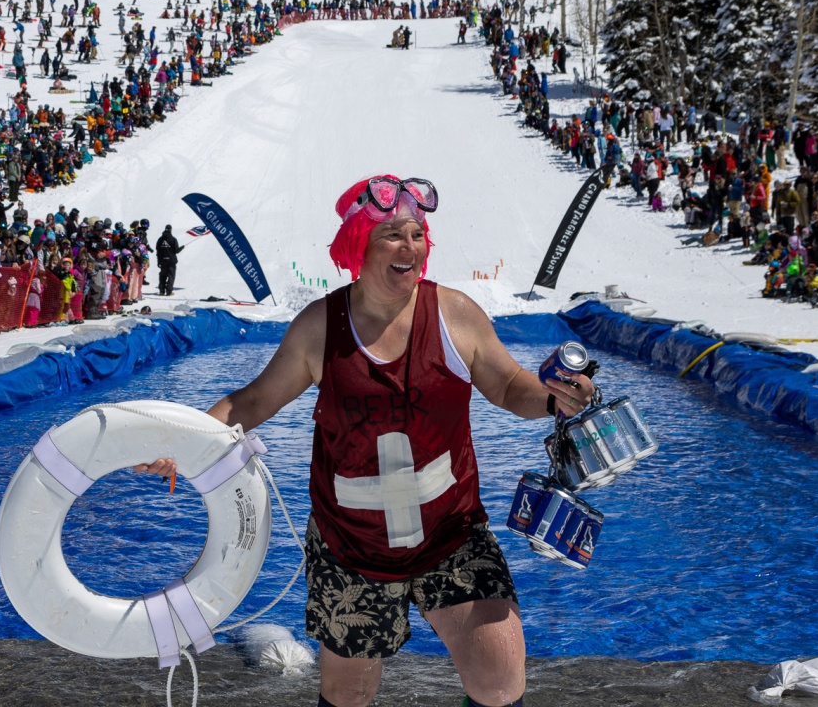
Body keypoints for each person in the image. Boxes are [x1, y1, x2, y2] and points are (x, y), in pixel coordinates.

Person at [136, 176, 599, 707]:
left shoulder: (454, 314)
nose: (410, 247)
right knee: (349, 696)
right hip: (350, 547)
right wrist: (188, 443)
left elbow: (508, 384)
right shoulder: (320, 328)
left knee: (499, 673)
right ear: (359, 243)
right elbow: (253, 402)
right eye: (392, 235)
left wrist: (553, 397)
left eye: (418, 233)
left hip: (449, 534)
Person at [155, 224, 183, 296]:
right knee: (171, 276)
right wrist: (181, 248)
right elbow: (176, 251)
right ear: (171, 229)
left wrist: (158, 261)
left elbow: (158, 251)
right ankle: (169, 291)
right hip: (171, 261)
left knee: (162, 275)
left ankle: (161, 291)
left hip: (163, 260)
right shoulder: (173, 239)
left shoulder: (160, 239)